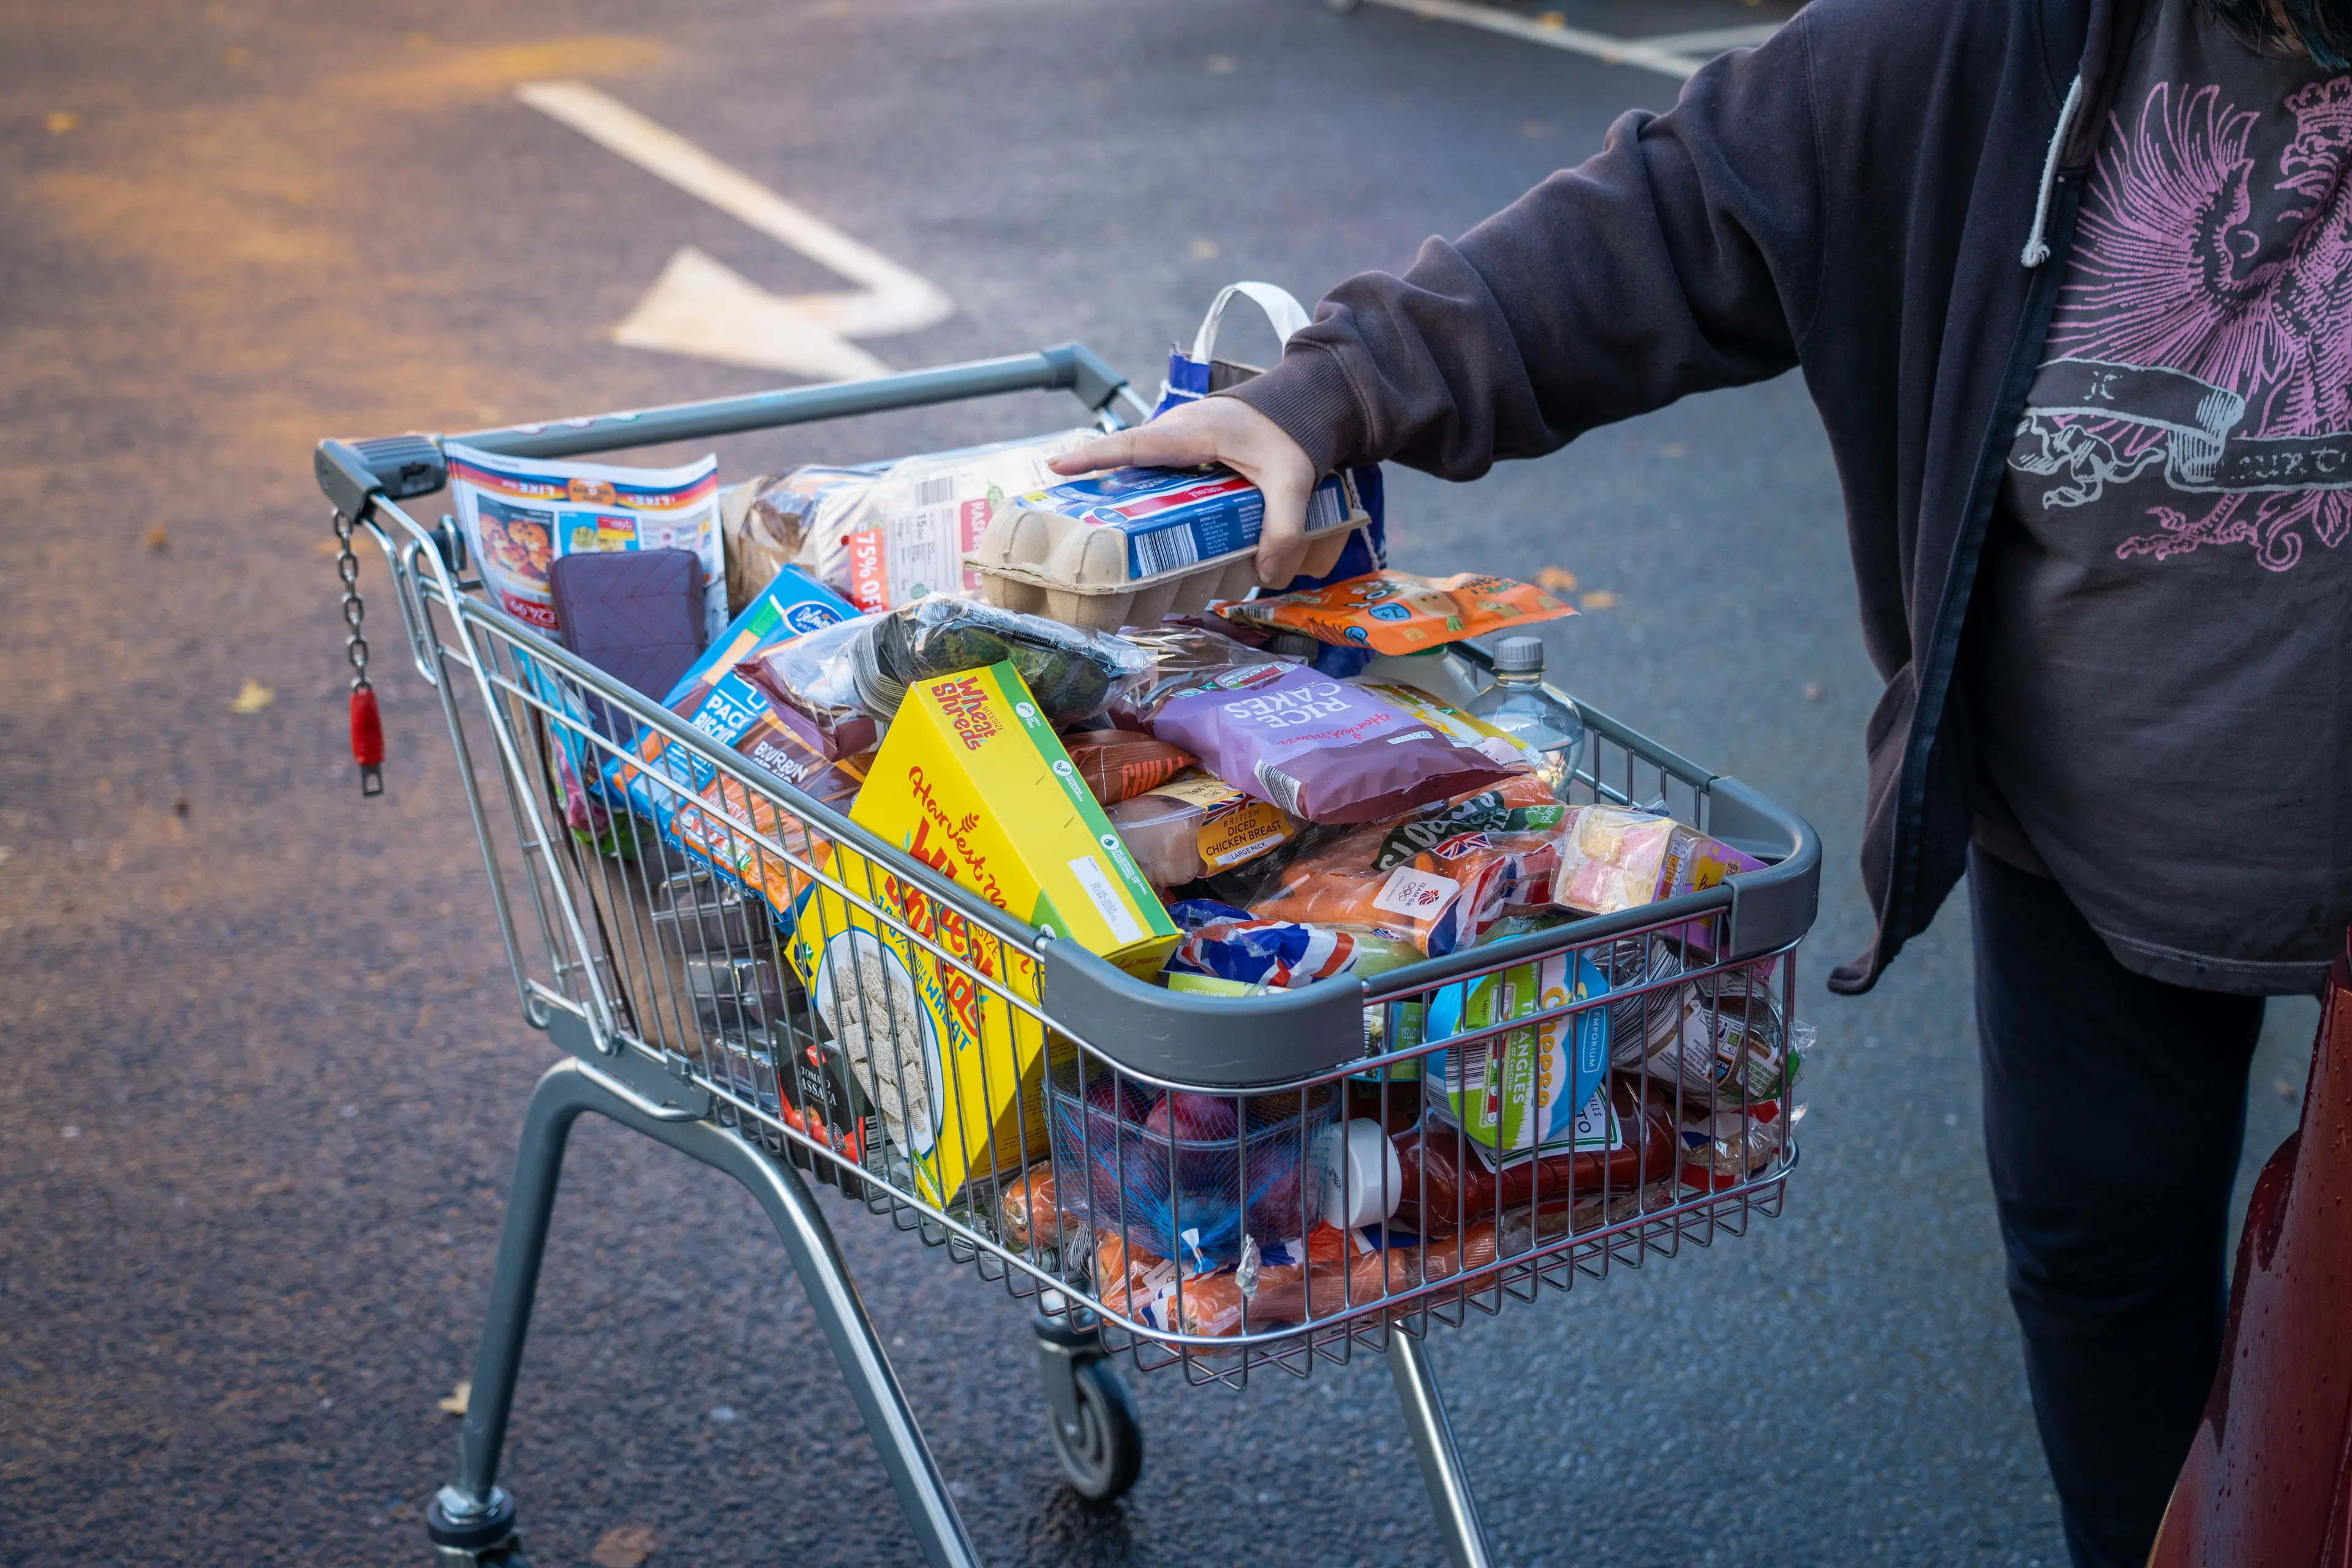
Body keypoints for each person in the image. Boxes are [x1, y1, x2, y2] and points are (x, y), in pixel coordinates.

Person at [1054, 1, 2352, 1562]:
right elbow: (1683, 205)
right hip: (2093, 837)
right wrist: (1321, 393)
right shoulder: (2003, 34)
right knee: (2102, 1257)